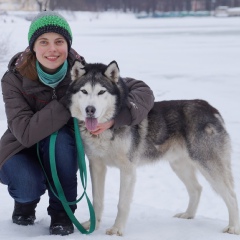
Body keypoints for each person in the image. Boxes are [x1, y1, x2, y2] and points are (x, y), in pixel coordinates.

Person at [0, 11, 154, 236]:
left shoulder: (83, 73)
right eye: (44, 42)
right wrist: (70, 100)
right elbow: (24, 132)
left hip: (60, 148)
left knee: (62, 141)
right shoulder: (14, 78)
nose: (52, 49)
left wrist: (116, 118)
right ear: (33, 47)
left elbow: (142, 90)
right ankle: (25, 203)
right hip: (21, 147)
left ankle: (62, 212)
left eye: (59, 42)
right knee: (26, 185)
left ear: (68, 45)